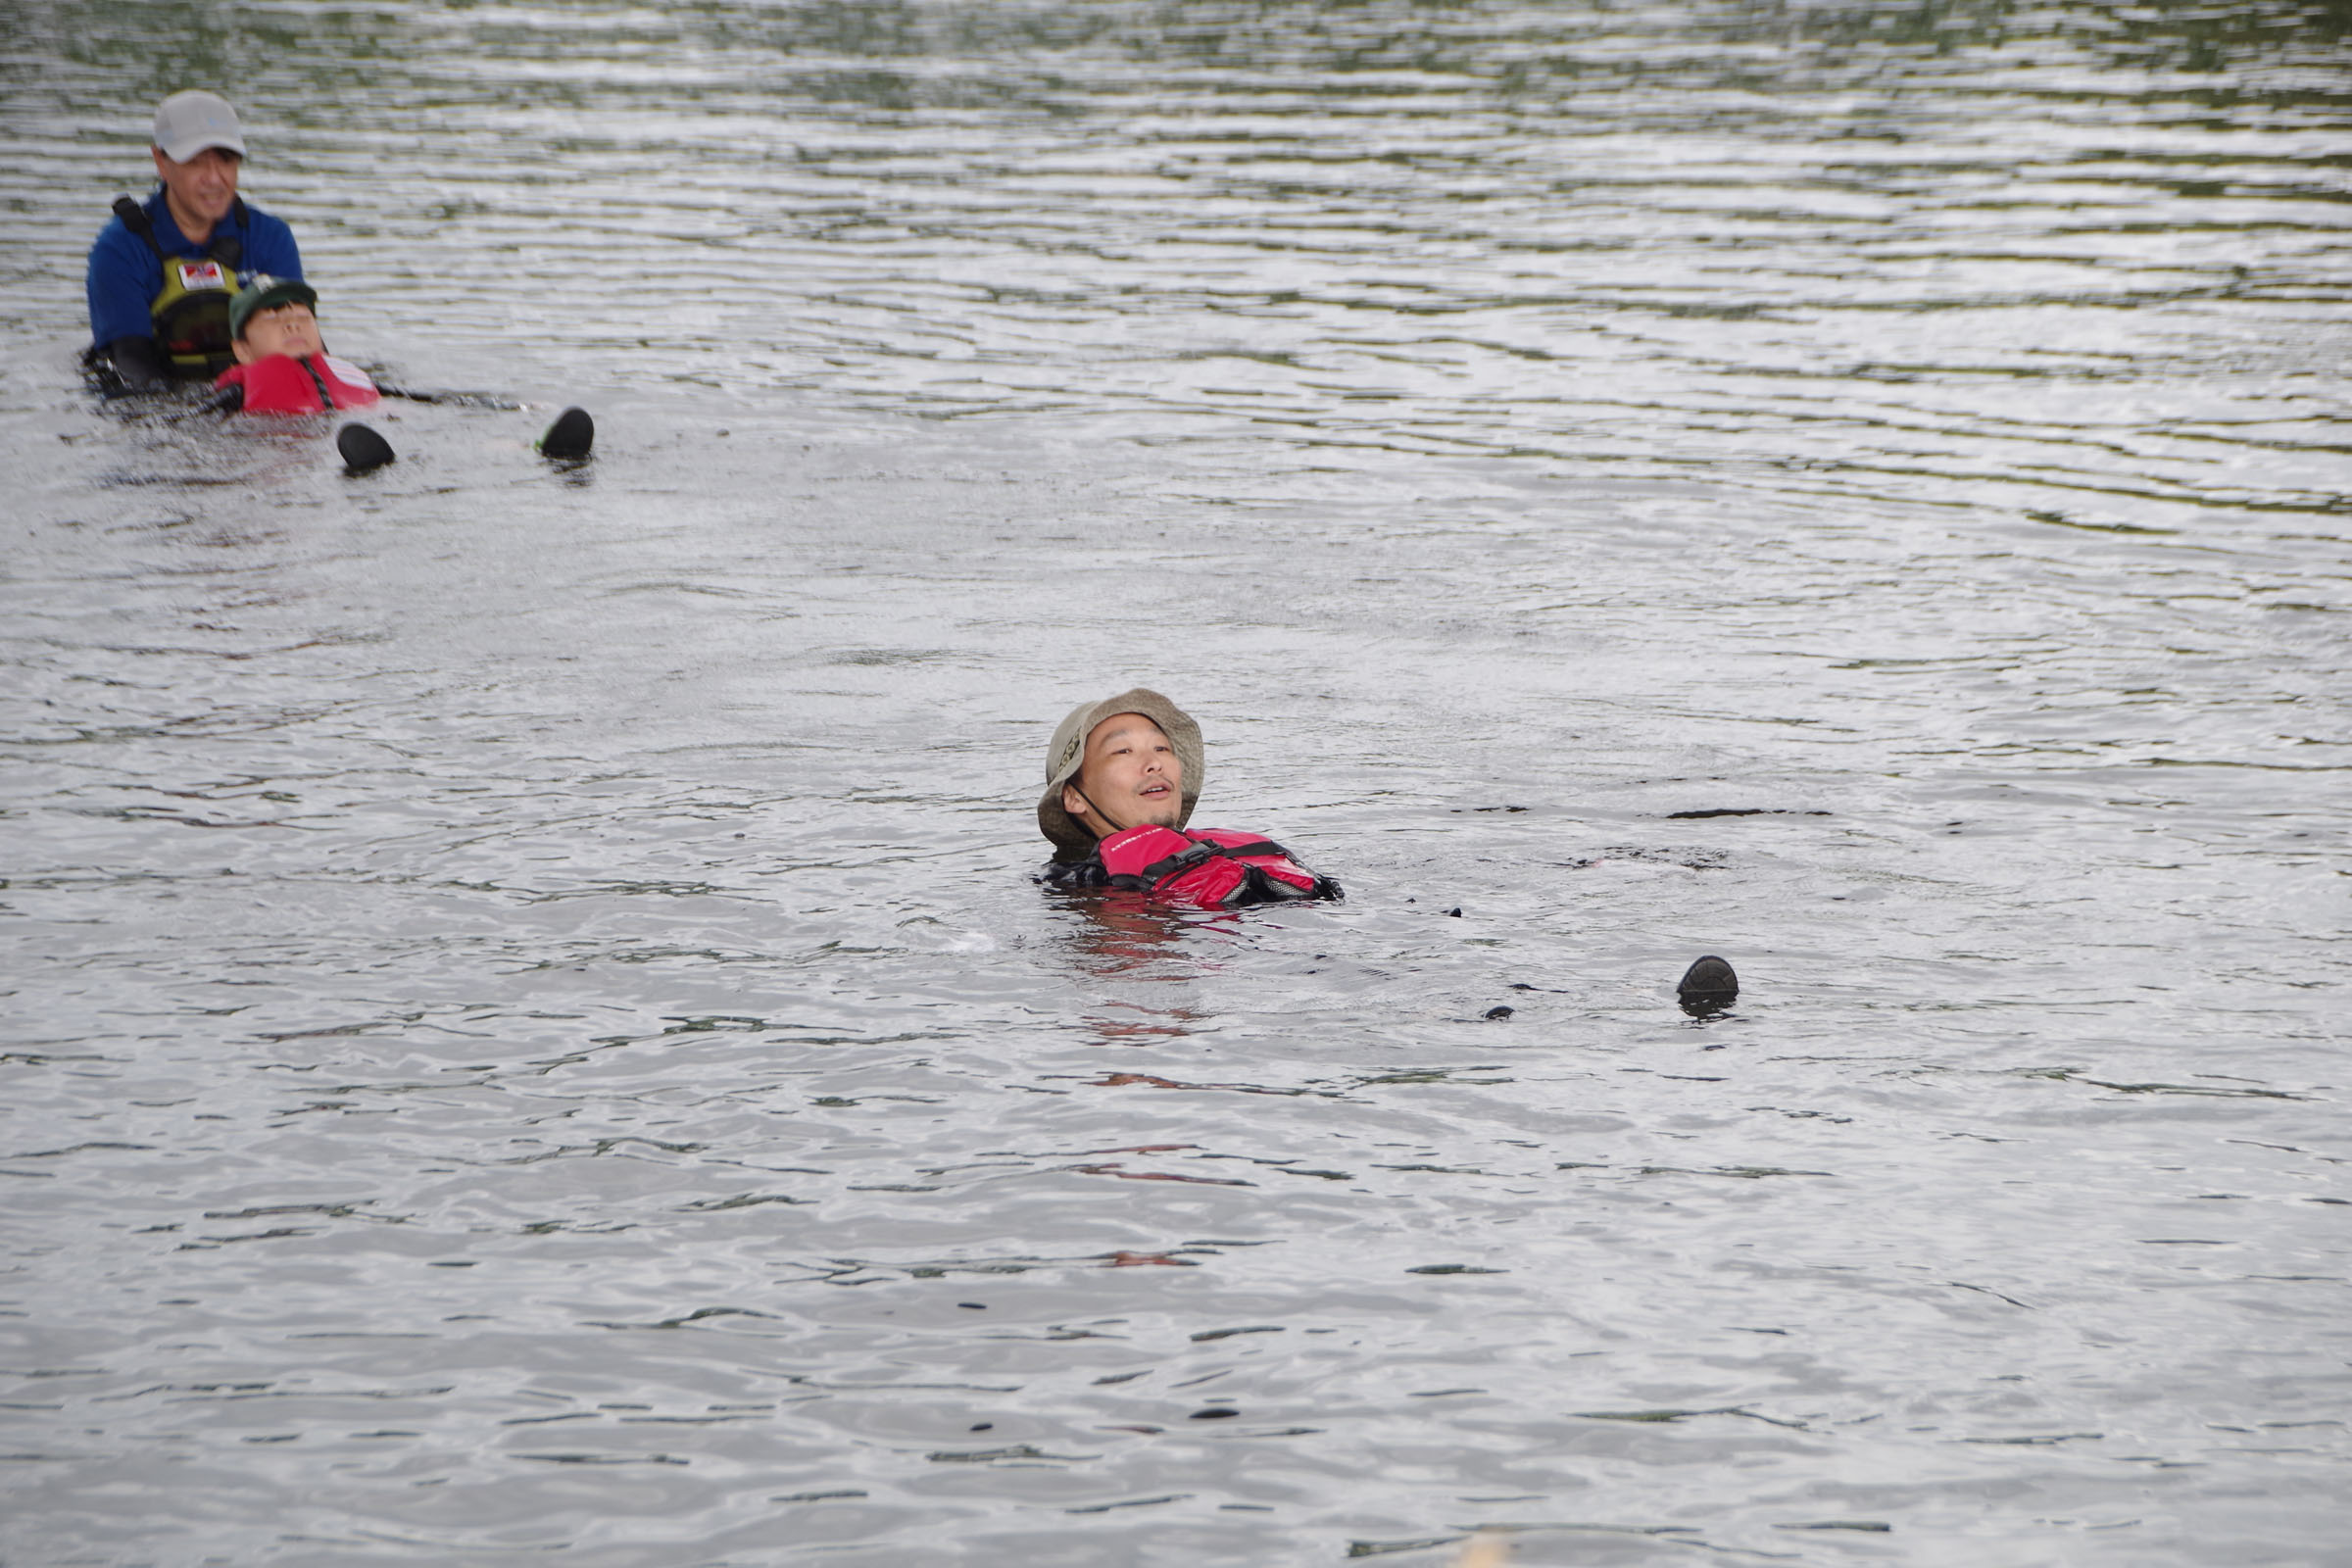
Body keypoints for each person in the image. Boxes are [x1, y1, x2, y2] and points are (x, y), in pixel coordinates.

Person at [1037, 688, 1341, 907]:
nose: (1154, 763)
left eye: (1161, 748)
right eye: (1123, 751)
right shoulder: (1075, 887)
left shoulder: (1219, 852)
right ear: (1074, 798)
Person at [84, 91, 303, 390]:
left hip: (248, 392)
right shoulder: (119, 248)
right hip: (161, 400)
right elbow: (130, 361)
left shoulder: (270, 238)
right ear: (161, 162)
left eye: (225, 160)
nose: (214, 178)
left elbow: (300, 346)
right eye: (196, 162)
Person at [212, 276, 378, 414]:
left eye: (303, 316)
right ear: (243, 350)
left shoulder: (352, 374)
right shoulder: (236, 394)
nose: (293, 325)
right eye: (273, 318)